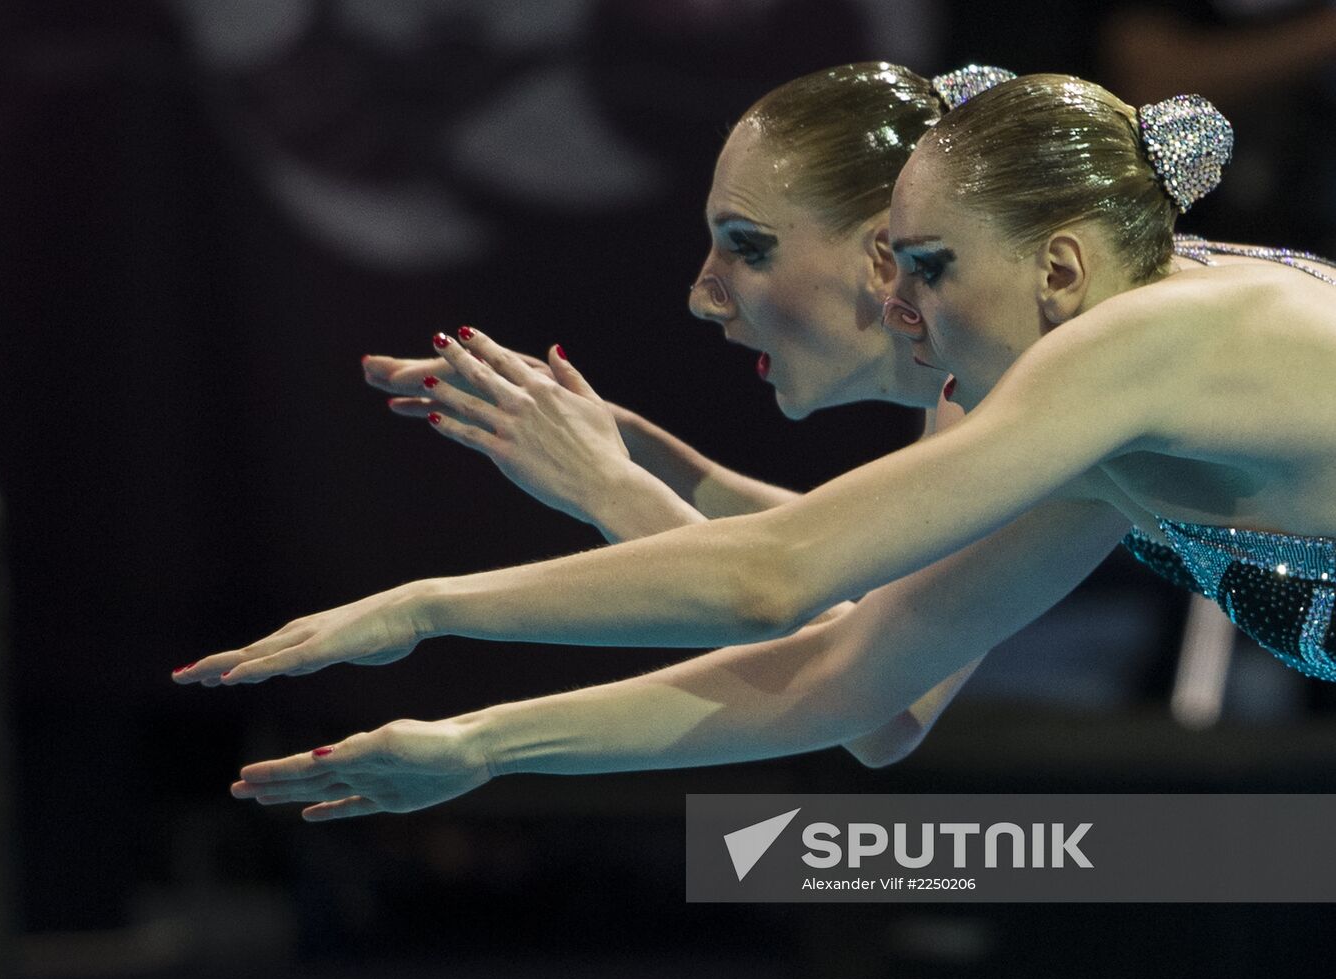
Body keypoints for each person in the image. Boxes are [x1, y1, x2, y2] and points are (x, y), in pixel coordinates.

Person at [180, 73, 1336, 822]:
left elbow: (778, 584)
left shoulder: (1138, 346)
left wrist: (428, 605)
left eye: (924, 264)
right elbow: (852, 679)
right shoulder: (1094, 408)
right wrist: (478, 744)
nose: (903, 308)